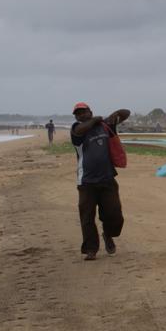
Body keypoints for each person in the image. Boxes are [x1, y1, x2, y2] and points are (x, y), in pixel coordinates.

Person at [71, 102, 131, 260]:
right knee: (87, 217)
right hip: (86, 182)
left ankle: (108, 234)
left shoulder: (104, 125)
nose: (82, 115)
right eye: (79, 113)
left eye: (85, 112)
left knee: (115, 215)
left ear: (90, 111)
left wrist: (111, 117)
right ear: (76, 117)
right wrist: (94, 120)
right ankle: (91, 249)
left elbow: (126, 112)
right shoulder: (77, 130)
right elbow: (80, 130)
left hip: (107, 178)